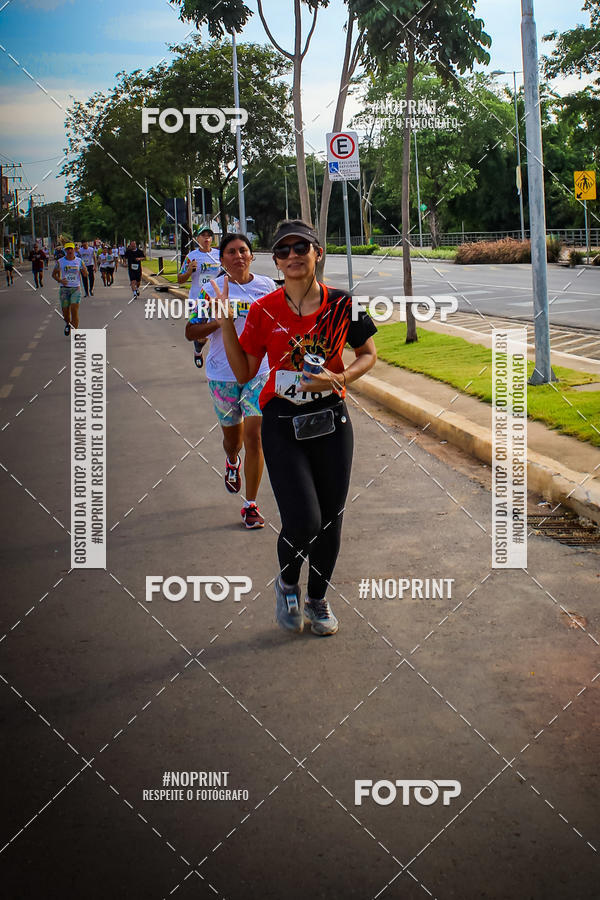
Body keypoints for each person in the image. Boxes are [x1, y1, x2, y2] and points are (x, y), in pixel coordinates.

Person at [214, 220, 377, 636]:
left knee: (331, 520)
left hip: (331, 422)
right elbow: (245, 371)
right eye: (282, 251)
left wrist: (338, 379)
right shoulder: (266, 309)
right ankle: (287, 583)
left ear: (317, 252)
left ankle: (318, 600)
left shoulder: (343, 304)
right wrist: (227, 323)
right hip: (282, 423)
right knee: (304, 519)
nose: (291, 256)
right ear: (277, 261)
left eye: (299, 247)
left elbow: (367, 354)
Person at [186, 233, 275, 528]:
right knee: (232, 440)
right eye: (232, 252)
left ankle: (250, 505)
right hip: (222, 375)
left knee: (255, 436)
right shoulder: (210, 290)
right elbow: (191, 332)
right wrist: (221, 318)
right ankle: (231, 460)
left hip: (257, 371)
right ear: (222, 259)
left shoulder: (266, 287)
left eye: (243, 251)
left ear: (251, 256)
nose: (238, 256)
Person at [178, 227, 221, 368]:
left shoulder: (219, 254)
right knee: (202, 335)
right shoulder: (191, 256)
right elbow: (180, 279)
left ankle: (218, 362)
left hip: (216, 300)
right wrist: (189, 270)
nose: (207, 238)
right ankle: (198, 350)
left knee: (215, 332)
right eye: (203, 235)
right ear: (197, 239)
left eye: (209, 236)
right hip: (198, 300)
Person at [52, 242, 87, 336]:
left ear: (74, 250)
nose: (70, 251)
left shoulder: (79, 261)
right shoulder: (60, 261)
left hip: (76, 289)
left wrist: (84, 271)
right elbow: (53, 274)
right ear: (65, 250)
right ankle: (68, 324)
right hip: (64, 290)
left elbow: (85, 274)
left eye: (71, 249)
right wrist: (60, 280)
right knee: (66, 313)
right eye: (67, 249)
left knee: (74, 311)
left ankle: (75, 331)